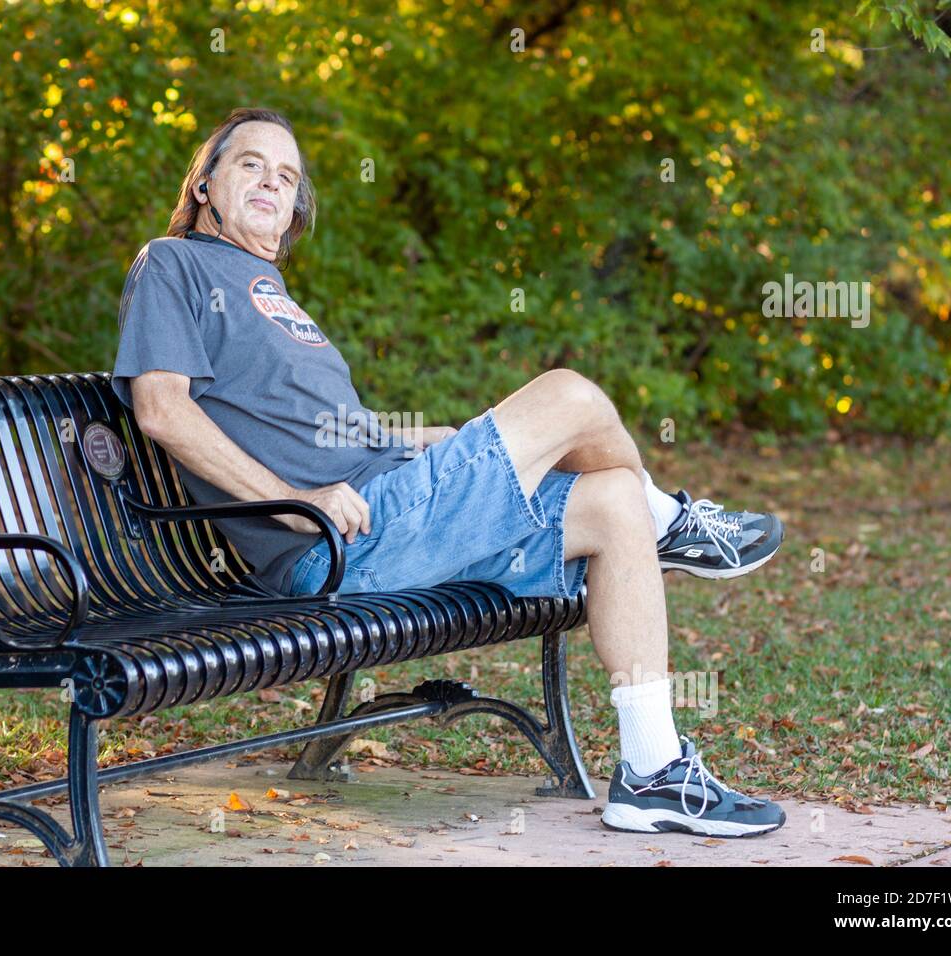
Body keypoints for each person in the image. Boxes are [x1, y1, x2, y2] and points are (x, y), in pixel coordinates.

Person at [112, 107, 786, 838]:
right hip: (334, 542)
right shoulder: (172, 264)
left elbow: (352, 436)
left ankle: (652, 773)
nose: (272, 181)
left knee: (614, 500)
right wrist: (295, 499)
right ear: (206, 182)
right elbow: (162, 411)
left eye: (288, 174)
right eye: (251, 164)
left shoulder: (272, 291)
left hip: (391, 507)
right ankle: (679, 524)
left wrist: (456, 440)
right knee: (569, 396)